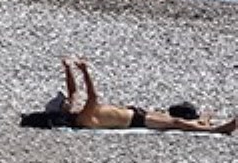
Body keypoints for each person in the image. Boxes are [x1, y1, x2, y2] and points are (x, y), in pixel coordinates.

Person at [28, 57, 235, 133]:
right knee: (177, 122)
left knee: (175, 118)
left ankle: (202, 122)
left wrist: (68, 69)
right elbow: (93, 96)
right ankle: (217, 129)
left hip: (135, 111)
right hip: (136, 121)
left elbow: (74, 91)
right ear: (62, 111)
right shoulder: (83, 118)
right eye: (63, 102)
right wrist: (85, 72)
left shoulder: (76, 107)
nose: (67, 100)